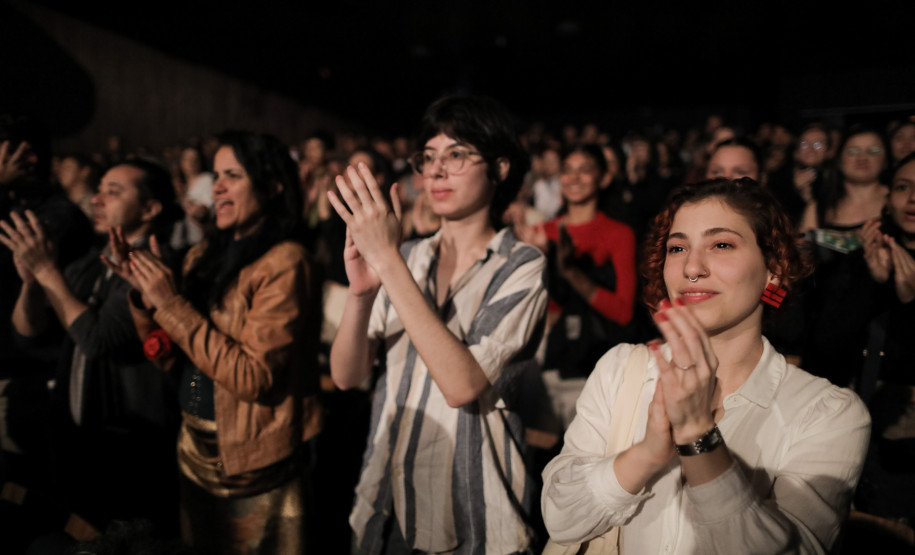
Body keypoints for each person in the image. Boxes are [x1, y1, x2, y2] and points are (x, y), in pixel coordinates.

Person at [541, 178, 870, 553]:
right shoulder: (621, 369)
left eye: (721, 244)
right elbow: (559, 517)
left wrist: (699, 437)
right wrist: (648, 452)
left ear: (773, 269)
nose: (691, 267)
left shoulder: (825, 412)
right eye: (677, 247)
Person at [328, 95, 547, 554]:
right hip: (386, 495)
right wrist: (362, 293)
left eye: (456, 154)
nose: (436, 171)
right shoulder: (409, 257)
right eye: (427, 158)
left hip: (471, 503)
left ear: (501, 168)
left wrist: (387, 259)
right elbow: (347, 376)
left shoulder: (521, 265)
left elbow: (463, 384)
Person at [125, 130, 321, 553]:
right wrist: (147, 299)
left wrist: (172, 304)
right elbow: (172, 359)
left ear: (272, 187)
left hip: (251, 463)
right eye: (216, 175)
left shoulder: (285, 262)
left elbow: (254, 377)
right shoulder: (204, 254)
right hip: (194, 448)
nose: (217, 187)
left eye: (233, 175)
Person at [2, 158, 183, 532]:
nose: (97, 200)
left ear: (151, 208)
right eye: (98, 189)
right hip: (79, 436)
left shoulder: (155, 267)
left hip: (129, 445)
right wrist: (33, 282)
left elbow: (98, 339)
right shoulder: (91, 262)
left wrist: (48, 271)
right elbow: (30, 333)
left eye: (113, 192)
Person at [516, 144, 636, 429]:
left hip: (587, 358)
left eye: (585, 170)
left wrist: (571, 272)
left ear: (604, 178)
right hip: (540, 351)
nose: (575, 178)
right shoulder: (542, 232)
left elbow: (623, 311)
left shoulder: (618, 233)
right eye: (568, 170)